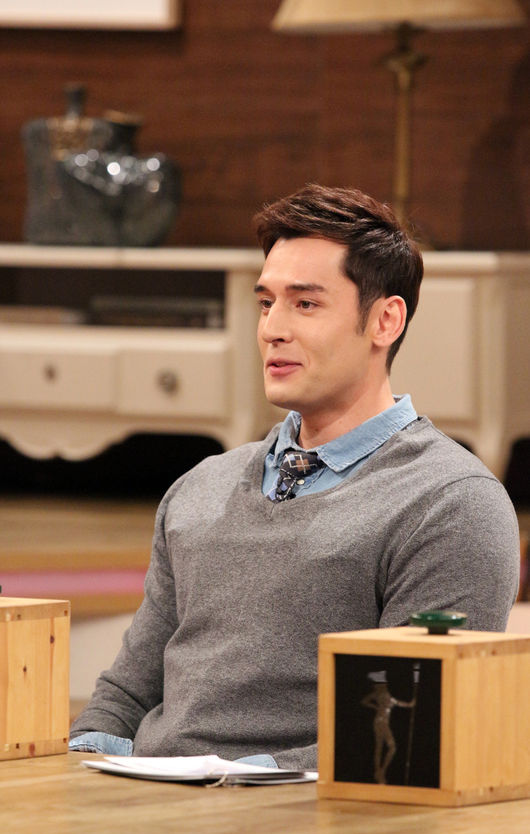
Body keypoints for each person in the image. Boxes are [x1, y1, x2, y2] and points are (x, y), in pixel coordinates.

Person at [70, 184, 519, 769]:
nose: (272, 329)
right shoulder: (200, 487)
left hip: (299, 806)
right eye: (266, 303)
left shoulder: (452, 505)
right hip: (145, 794)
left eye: (305, 304)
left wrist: (231, 784)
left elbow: (404, 732)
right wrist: (83, 768)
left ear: (385, 320)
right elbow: (126, 695)